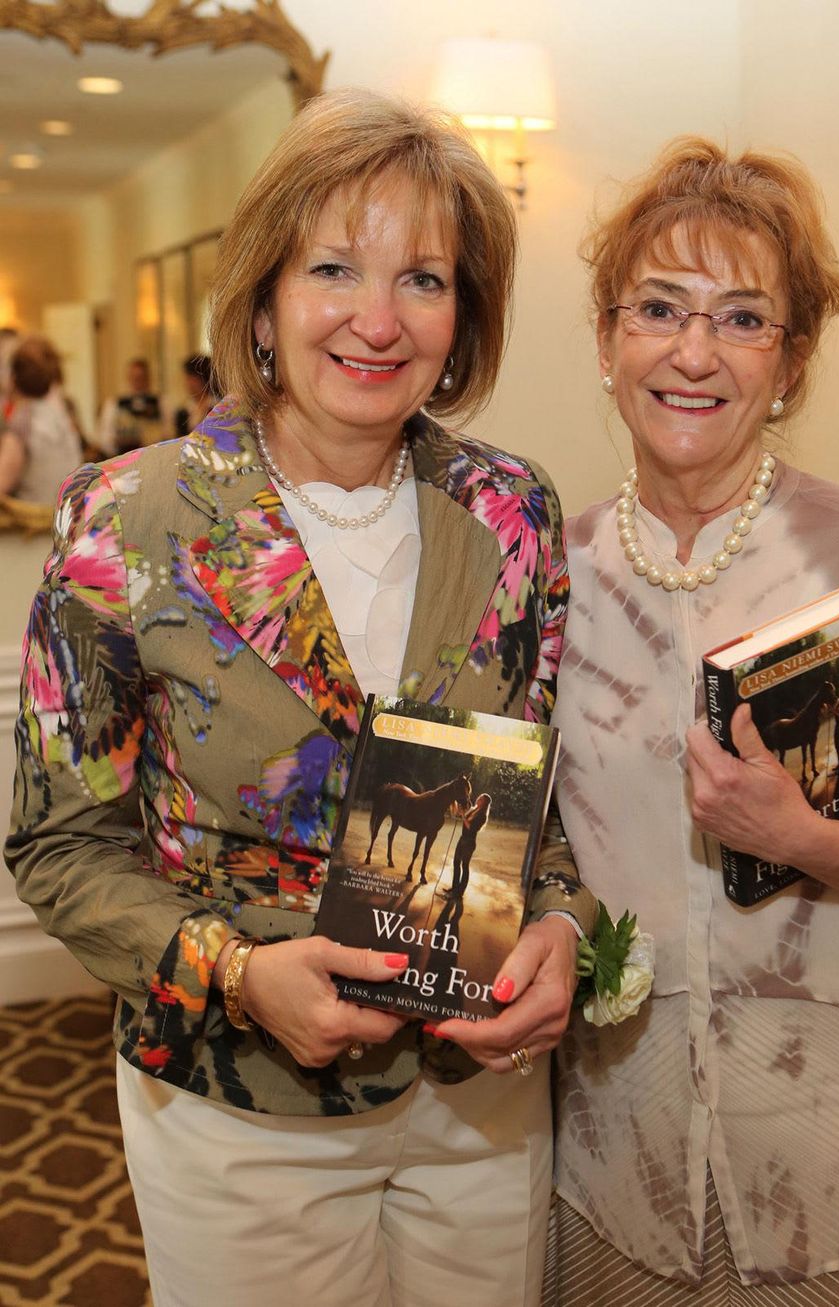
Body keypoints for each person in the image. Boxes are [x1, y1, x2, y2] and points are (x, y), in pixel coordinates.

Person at [7, 89, 591, 1307]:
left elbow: (542, 799)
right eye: (334, 267)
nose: (378, 319)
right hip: (240, 1104)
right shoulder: (129, 518)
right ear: (264, 295)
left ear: (462, 312)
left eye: (423, 279)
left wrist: (558, 926)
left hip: (477, 1098)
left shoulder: (510, 507)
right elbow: (60, 843)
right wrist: (233, 971)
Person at [545, 138, 839, 1305]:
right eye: (659, 310)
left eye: (742, 320)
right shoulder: (548, 577)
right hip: (620, 1150)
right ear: (605, 339)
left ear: (787, 363)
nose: (694, 352)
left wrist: (799, 836)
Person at [0, 336, 83, 503]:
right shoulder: (60, 416)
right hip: (63, 518)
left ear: (14, 378)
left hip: (32, 523)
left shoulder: (23, 421)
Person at [95, 356, 167, 454]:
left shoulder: (160, 402)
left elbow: (168, 432)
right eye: (135, 377)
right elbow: (104, 438)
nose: (138, 381)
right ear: (128, 378)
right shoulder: (115, 403)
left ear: (148, 378)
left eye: (142, 377)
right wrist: (118, 441)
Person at [173, 352, 218, 437]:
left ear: (204, 378)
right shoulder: (183, 411)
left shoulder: (218, 406)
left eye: (193, 379)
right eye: (187, 378)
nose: (189, 383)